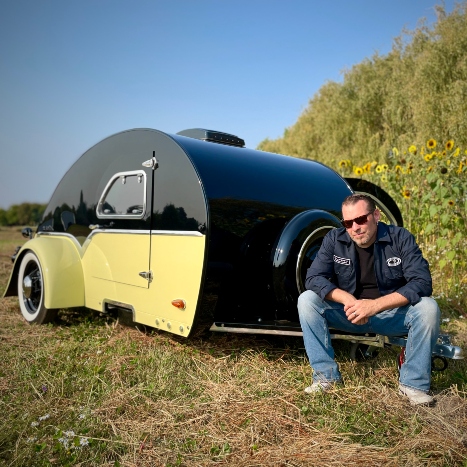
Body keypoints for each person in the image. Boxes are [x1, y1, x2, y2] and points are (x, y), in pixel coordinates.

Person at [297, 194, 440, 405]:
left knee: (429, 308)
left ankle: (413, 385)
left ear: (376, 215)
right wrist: (347, 300)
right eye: (348, 223)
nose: (355, 227)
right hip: (349, 313)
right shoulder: (334, 239)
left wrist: (374, 306)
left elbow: (422, 282)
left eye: (361, 219)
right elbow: (313, 278)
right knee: (307, 300)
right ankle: (326, 378)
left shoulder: (400, 238)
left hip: (390, 314)